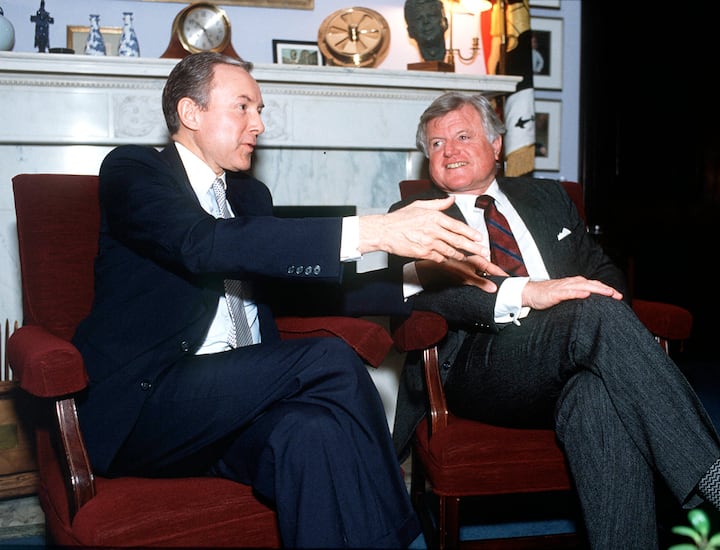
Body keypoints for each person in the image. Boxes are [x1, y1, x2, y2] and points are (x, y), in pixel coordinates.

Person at [71, 53, 494, 549]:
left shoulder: (250, 197)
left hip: (237, 405)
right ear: (190, 113)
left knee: (310, 434)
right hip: (150, 408)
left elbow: (302, 287)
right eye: (244, 107)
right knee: (331, 357)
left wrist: (418, 273)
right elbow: (201, 244)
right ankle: (402, 538)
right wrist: (375, 229)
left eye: (260, 109)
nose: (260, 124)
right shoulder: (134, 170)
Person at [388, 91, 720, 549]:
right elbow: (434, 301)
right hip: (480, 366)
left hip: (576, 350)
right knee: (589, 312)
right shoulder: (412, 216)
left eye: (463, 136)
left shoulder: (547, 197)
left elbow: (602, 271)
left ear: (497, 144)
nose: (450, 151)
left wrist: (589, 319)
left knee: (596, 396)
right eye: (438, 144)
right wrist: (531, 293)